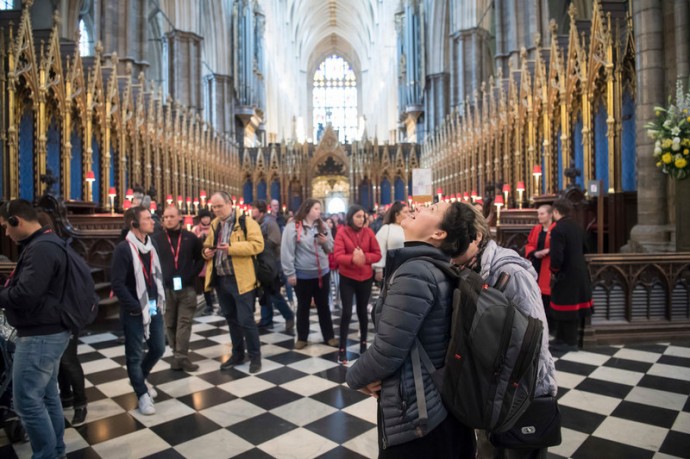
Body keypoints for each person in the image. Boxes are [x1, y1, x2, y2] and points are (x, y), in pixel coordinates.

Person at [346, 201, 476, 458]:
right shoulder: (432, 267)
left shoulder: (416, 271)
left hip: (420, 414)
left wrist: (354, 377)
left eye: (432, 209)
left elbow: (387, 352)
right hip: (438, 405)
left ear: (438, 234)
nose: (417, 208)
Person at [451, 202, 558, 459]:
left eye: (454, 245)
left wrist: (535, 390)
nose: (449, 255)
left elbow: (535, 337)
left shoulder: (509, 272)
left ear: (476, 237)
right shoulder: (469, 267)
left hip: (519, 391)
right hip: (491, 390)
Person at [0, 199, 72, 458]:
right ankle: (57, 451)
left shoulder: (41, 248)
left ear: (16, 220)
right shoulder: (46, 242)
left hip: (41, 335)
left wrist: (3, 294)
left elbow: (26, 295)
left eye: (6, 227)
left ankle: (47, 455)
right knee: (48, 395)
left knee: (27, 402)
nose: (6, 233)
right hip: (49, 331)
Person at [111, 206, 166, 415]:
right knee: (134, 355)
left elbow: (156, 275)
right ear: (134, 224)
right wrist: (134, 306)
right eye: (147, 218)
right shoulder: (123, 249)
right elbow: (117, 284)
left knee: (158, 348)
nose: (153, 221)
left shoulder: (151, 246)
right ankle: (142, 394)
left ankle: (139, 378)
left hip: (153, 306)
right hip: (134, 310)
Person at [202, 192, 264, 373]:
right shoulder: (214, 225)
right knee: (231, 319)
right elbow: (207, 245)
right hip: (222, 279)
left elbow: (258, 244)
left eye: (219, 206)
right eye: (213, 207)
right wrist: (205, 253)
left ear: (230, 203)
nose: (216, 210)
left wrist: (232, 249)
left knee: (246, 320)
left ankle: (255, 356)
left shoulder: (246, 222)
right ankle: (238, 354)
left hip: (241, 279)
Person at [280, 198, 338, 350]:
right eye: (316, 209)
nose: (319, 212)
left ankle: (329, 336)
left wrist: (325, 241)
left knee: (323, 305)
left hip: (322, 273)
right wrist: (290, 273)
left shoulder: (323, 225)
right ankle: (302, 338)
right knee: (303, 307)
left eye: (320, 209)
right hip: (302, 275)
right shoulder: (293, 226)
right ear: (307, 210)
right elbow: (287, 251)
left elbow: (331, 248)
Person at [153, 205, 204, 372]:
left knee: (184, 322)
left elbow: (200, 259)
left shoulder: (190, 238)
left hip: (187, 288)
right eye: (165, 217)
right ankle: (177, 354)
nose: (168, 219)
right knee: (170, 323)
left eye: (171, 216)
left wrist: (191, 275)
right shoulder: (157, 239)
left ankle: (181, 357)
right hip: (166, 288)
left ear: (180, 217)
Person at [333, 205, 381, 363]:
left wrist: (364, 258)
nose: (362, 219)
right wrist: (352, 259)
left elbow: (377, 254)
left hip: (365, 277)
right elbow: (338, 256)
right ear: (350, 217)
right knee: (346, 312)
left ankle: (363, 345)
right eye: (358, 216)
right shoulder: (342, 232)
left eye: (363, 217)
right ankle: (342, 349)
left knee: (362, 312)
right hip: (347, 277)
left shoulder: (368, 232)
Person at [549, 198, 593, 352]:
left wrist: (554, 271)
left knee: (565, 307)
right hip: (580, 272)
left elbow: (556, 257)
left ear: (555, 212)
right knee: (571, 307)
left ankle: (569, 342)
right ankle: (562, 339)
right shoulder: (577, 227)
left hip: (565, 274)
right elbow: (586, 248)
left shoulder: (557, 229)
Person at [252, 200, 295, 332]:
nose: (251, 211)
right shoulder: (257, 223)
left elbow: (275, 240)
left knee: (274, 293)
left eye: (254, 208)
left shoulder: (270, 222)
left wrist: (258, 244)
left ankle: (289, 316)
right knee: (264, 293)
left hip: (272, 264)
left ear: (261, 210)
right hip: (263, 263)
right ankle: (266, 320)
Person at [525, 204, 556, 333]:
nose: (539, 216)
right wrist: (534, 253)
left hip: (549, 266)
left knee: (548, 296)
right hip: (537, 264)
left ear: (550, 215)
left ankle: (551, 325)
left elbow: (559, 245)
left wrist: (548, 250)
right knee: (537, 295)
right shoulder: (537, 229)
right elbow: (529, 244)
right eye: (538, 214)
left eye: (542, 213)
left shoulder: (556, 229)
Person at [372, 201, 409, 282]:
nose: (408, 214)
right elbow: (379, 248)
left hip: (408, 267)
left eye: (409, 211)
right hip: (392, 268)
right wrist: (378, 269)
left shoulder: (409, 229)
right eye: (405, 212)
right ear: (396, 215)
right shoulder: (387, 228)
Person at [58, 333, 88, 426]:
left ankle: (80, 404)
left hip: (66, 323)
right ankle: (66, 396)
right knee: (59, 361)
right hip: (51, 325)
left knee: (69, 360)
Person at [192, 209, 216, 315]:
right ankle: (209, 305)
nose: (206, 219)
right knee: (204, 284)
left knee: (215, 282)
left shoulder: (214, 227)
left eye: (207, 217)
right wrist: (199, 237)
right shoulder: (196, 229)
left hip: (213, 259)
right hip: (202, 260)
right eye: (203, 217)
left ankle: (214, 298)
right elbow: (193, 243)